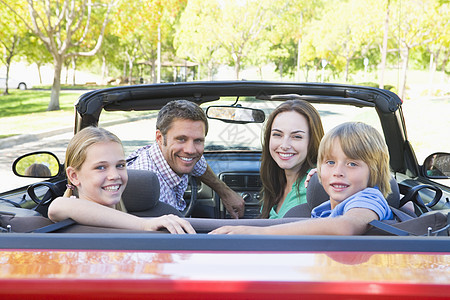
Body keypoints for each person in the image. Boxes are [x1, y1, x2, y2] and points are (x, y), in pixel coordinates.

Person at [210, 122, 394, 235]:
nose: (338, 172)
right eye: (330, 162)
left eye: (352, 164)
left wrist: (260, 233)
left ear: (375, 170)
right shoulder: (323, 210)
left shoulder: (369, 199)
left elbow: (346, 227)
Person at [48, 127, 195, 234]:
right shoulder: (67, 210)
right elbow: (58, 206)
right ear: (74, 176)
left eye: (120, 165)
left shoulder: (131, 221)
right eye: (100, 167)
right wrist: (144, 225)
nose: (115, 175)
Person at [127, 100, 245, 218]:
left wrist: (225, 193)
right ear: (159, 138)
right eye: (181, 139)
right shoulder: (147, 188)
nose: (191, 150)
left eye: (198, 140)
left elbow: (199, 165)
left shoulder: (172, 156)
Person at [260, 100, 324, 219]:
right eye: (277, 134)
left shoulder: (313, 186)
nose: (285, 145)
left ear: (312, 141)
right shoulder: (276, 180)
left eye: (297, 137)